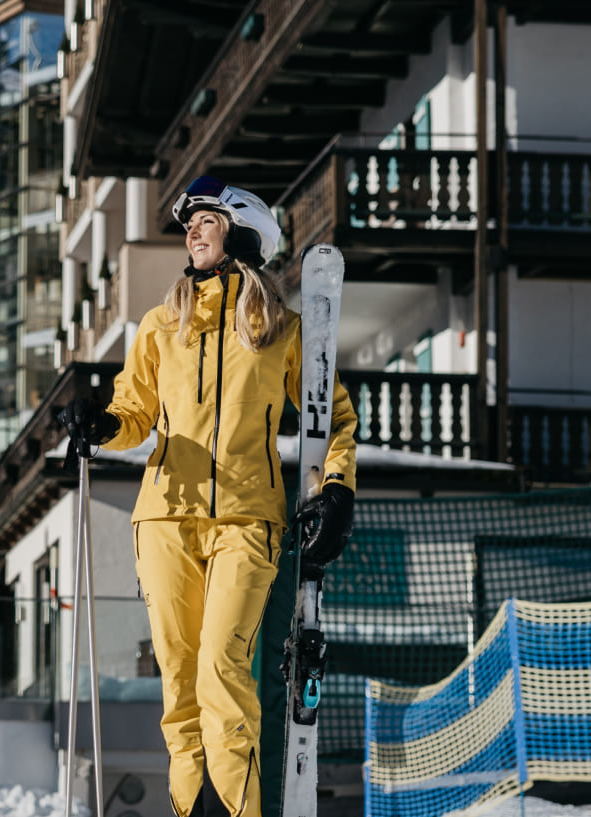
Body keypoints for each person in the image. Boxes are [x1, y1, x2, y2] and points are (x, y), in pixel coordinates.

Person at [59, 176, 359, 817]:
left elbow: (332, 419)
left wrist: (336, 488)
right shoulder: (162, 326)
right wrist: (102, 425)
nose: (190, 230)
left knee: (224, 669)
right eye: (188, 221)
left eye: (206, 219)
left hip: (250, 520)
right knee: (179, 686)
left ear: (243, 232)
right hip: (164, 517)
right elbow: (134, 410)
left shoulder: (283, 330)